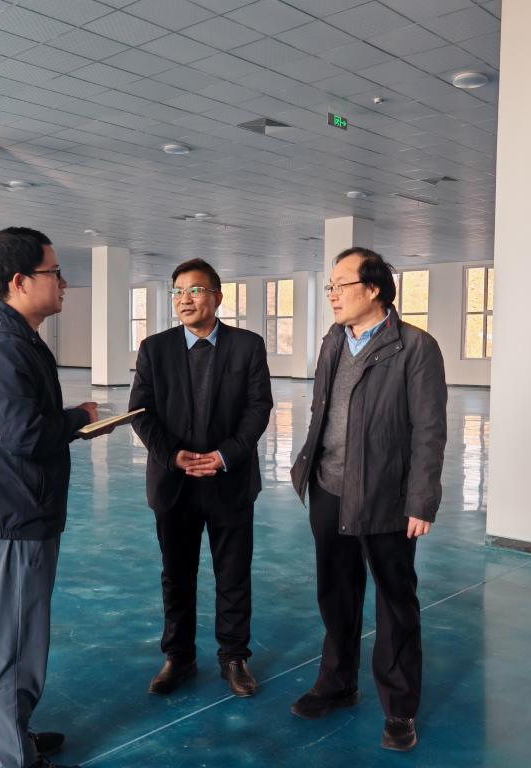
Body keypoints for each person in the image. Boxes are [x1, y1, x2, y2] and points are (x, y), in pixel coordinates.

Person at [289, 247, 447, 751]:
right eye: (330, 286)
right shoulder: (333, 340)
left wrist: (421, 500)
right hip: (329, 487)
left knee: (395, 602)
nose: (332, 295)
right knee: (336, 593)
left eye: (341, 285)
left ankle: (399, 708)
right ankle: (337, 683)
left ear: (373, 289)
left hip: (386, 496)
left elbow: (429, 430)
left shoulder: (415, 347)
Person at [0, 227, 105, 768]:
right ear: (20, 282)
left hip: (6, 512)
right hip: (15, 517)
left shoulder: (11, 338)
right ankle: (10, 757)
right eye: (55, 272)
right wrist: (77, 420)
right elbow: (23, 435)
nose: (63, 283)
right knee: (14, 646)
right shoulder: (2, 348)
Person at [128, 258, 272, 697]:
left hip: (230, 480)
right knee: (176, 575)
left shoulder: (247, 346)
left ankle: (234, 657)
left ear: (217, 297)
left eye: (195, 290)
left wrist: (225, 455)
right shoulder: (154, 349)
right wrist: (172, 455)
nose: (184, 299)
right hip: (175, 484)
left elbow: (258, 408)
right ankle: (179, 656)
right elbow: (141, 413)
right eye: (177, 291)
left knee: (233, 574)